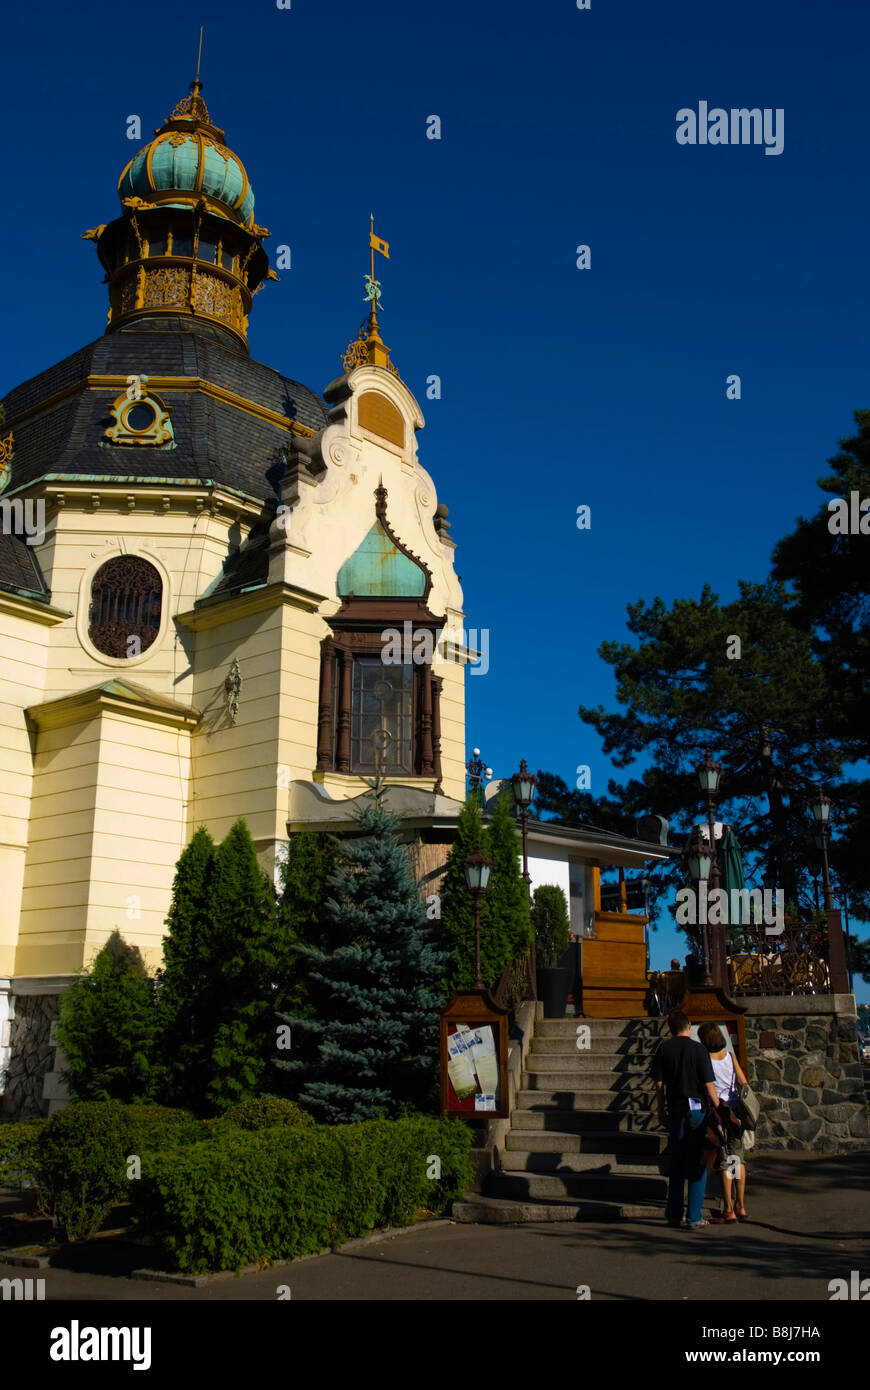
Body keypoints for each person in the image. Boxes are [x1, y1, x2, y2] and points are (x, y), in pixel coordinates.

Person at [651, 1009, 720, 1230]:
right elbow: (708, 1084)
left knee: (678, 1163)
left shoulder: (664, 1049)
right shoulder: (698, 1050)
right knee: (698, 1164)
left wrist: (661, 1109)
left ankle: (673, 1214)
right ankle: (693, 1216)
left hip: (676, 1109)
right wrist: (718, 1105)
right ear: (689, 1025)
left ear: (671, 1028)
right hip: (697, 1110)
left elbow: (659, 1084)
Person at [698, 1022, 749, 1223]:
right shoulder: (730, 1056)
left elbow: (707, 1087)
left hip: (719, 1112)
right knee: (738, 1157)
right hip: (735, 1112)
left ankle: (728, 1208)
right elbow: (743, 1082)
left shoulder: (705, 1060)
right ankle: (741, 1204)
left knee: (725, 1159)